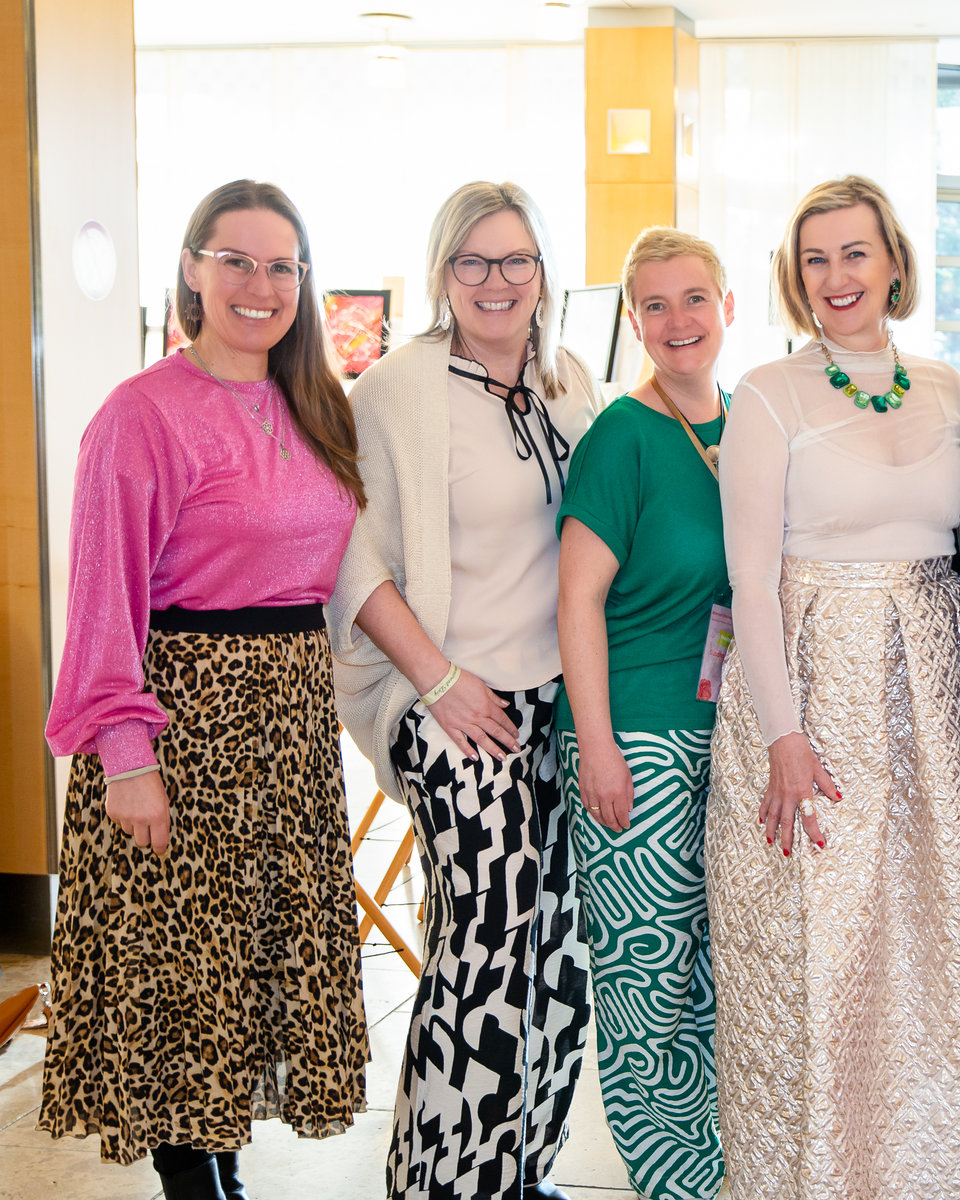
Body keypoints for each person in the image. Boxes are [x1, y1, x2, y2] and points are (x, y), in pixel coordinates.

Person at [41, 178, 369, 1200]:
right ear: (192, 268)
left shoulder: (316, 405)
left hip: (289, 728)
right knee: (183, 973)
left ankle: (224, 1174)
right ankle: (198, 1187)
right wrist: (125, 758)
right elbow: (102, 602)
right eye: (236, 261)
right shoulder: (141, 414)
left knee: (247, 971)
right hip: (185, 726)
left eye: (281, 267)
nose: (259, 286)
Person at [707, 174, 960, 1199]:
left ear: (893, 262)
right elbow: (751, 579)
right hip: (812, 686)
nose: (837, 276)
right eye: (816, 258)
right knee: (818, 953)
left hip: (931, 693)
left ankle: (923, 1173)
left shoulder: (946, 385)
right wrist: (783, 736)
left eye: (855, 253)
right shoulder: (767, 392)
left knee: (926, 945)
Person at [327, 181, 597, 1200]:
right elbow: (350, 559)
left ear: (544, 272)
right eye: (473, 261)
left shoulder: (570, 381)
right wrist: (439, 683)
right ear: (443, 272)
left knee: (558, 952)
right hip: (448, 701)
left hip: (560, 704)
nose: (496, 281)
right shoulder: (396, 389)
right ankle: (441, 1185)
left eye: (516, 259)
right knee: (486, 943)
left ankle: (520, 1168)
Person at [554, 227, 734, 1200]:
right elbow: (577, 598)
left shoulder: (747, 425)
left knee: (710, 977)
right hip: (637, 738)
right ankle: (670, 1180)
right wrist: (598, 748)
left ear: (728, 307)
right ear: (633, 321)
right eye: (655, 305)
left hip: (723, 740)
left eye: (694, 297)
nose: (678, 320)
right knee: (646, 986)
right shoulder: (622, 435)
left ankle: (716, 1169)